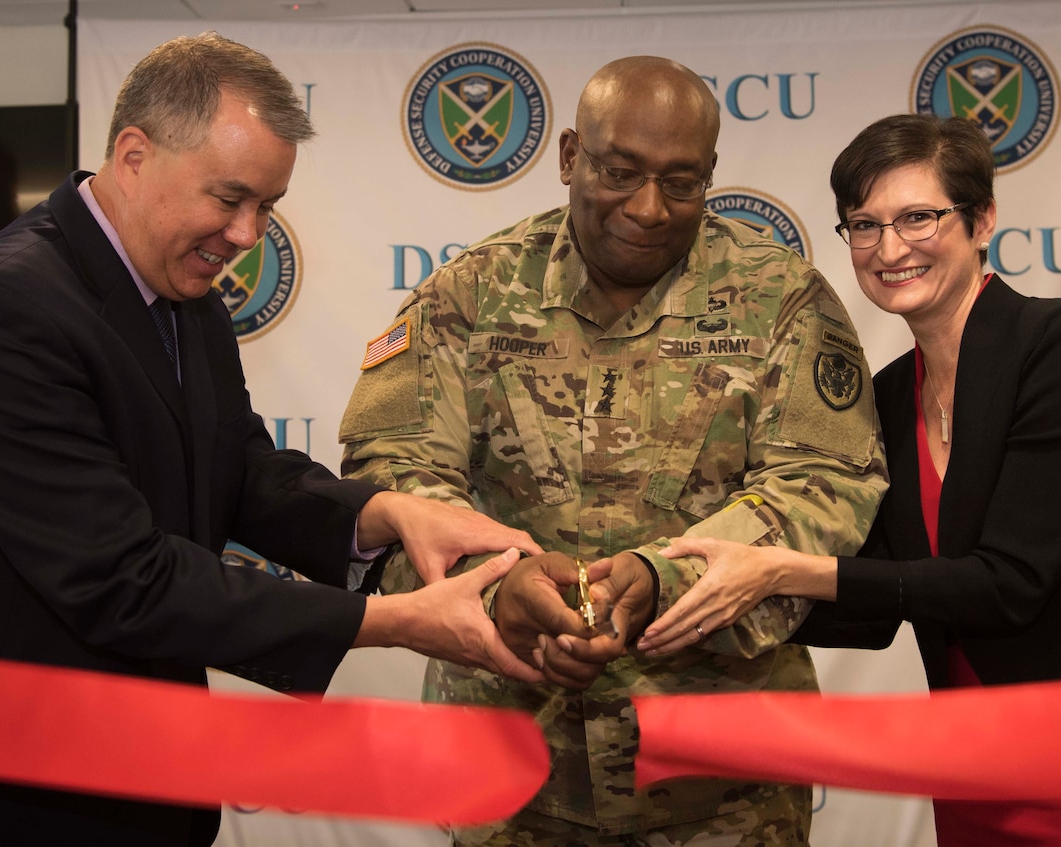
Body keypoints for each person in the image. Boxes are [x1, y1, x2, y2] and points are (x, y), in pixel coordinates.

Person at [0, 32, 545, 847]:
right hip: (32, 799)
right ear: (133, 154)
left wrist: (390, 513)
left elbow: (236, 470)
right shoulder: (2, 308)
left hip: (154, 780)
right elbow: (123, 580)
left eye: (267, 206)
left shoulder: (188, 296)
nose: (247, 235)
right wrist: (390, 621)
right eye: (229, 198)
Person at [637, 113, 1061, 845]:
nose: (889, 249)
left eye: (917, 217)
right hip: (984, 774)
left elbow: (1007, 584)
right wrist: (670, 594)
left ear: (982, 219)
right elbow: (876, 599)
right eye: (864, 225)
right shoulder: (891, 394)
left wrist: (776, 570)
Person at [339, 55, 888, 845]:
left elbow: (826, 485)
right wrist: (498, 590)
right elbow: (391, 475)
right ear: (569, 156)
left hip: (722, 785)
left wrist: (667, 580)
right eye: (619, 170)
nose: (650, 207)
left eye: (682, 180)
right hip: (510, 768)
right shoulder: (469, 295)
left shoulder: (782, 298)